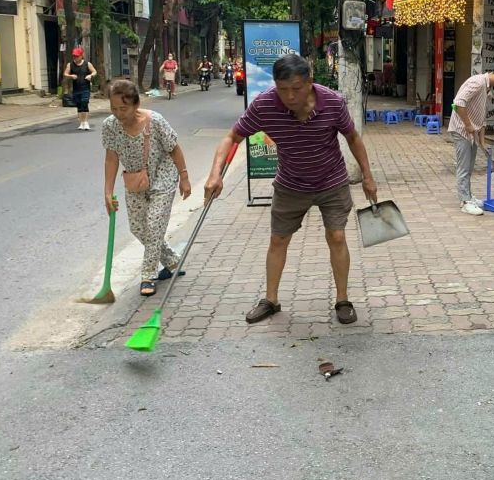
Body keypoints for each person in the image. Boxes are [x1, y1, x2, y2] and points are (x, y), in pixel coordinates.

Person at [204, 54, 378, 325]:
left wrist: (368, 176)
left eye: (296, 88)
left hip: (331, 180)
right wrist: (215, 174)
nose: (290, 96)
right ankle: (271, 300)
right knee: (278, 240)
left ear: (310, 82)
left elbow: (353, 137)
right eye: (283, 89)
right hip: (290, 184)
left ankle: (342, 300)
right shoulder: (264, 105)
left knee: (337, 236)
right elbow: (232, 137)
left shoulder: (332, 101)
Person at [102, 79, 192, 296]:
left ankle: (148, 276)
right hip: (135, 180)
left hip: (163, 176)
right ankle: (172, 261)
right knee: (138, 227)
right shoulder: (110, 126)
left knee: (153, 226)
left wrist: (184, 177)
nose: (119, 114)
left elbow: (174, 148)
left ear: (136, 104)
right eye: (114, 108)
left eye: (123, 108)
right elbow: (111, 158)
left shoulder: (155, 121)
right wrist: (107, 191)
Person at [447, 61, 494, 215]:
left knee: (469, 166)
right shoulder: (477, 83)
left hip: (471, 132)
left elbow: (481, 117)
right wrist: (467, 124)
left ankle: (469, 197)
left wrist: (483, 142)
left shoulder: (487, 89)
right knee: (464, 167)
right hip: (461, 130)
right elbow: (458, 103)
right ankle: (465, 202)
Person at [63, 47, 97, 131]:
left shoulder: (87, 64)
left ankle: (86, 122)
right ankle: (81, 122)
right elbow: (65, 73)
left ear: (82, 56)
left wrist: (90, 75)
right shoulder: (70, 65)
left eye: (77, 56)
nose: (75, 57)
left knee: (84, 102)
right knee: (79, 105)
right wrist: (71, 76)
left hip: (85, 87)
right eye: (74, 56)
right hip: (76, 88)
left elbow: (94, 72)